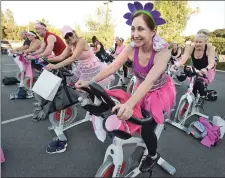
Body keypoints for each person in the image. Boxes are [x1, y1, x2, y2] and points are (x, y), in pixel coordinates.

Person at [75, 1, 176, 172]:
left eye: (141, 29)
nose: (135, 34)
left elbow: (150, 81)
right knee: (119, 104)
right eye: (133, 29)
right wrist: (91, 82)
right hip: (140, 88)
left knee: (146, 126)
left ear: (153, 31)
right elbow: (113, 66)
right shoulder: (131, 48)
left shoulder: (163, 52)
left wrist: (129, 105)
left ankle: (153, 155)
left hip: (158, 93)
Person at [44, 25, 114, 154]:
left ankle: (101, 115)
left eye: (70, 35)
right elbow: (61, 57)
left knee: (94, 94)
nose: (69, 38)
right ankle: (92, 109)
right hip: (82, 71)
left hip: (95, 70)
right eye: (66, 37)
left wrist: (55, 66)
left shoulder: (81, 41)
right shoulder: (70, 45)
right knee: (73, 88)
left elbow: (72, 58)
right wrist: (48, 60)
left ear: (74, 33)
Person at [174, 29, 216, 107]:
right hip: (196, 69)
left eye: (200, 42)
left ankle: (202, 97)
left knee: (199, 83)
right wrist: (177, 64)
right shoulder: (191, 47)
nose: (197, 44)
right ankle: (190, 102)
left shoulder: (209, 48)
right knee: (192, 85)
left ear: (205, 42)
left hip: (207, 70)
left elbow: (211, 63)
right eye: (196, 41)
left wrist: (206, 69)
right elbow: (183, 59)